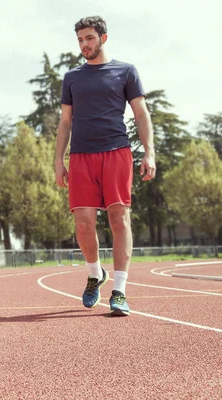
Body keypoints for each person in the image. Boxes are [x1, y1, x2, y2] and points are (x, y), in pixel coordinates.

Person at [55, 16, 156, 316]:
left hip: (116, 152)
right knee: (84, 223)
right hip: (82, 156)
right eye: (80, 40)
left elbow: (141, 113)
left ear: (103, 38)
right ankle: (95, 273)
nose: (84, 44)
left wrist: (149, 152)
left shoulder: (126, 71)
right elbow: (64, 122)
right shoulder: (72, 77)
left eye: (89, 38)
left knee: (118, 220)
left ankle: (120, 291)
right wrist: (59, 160)